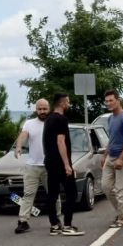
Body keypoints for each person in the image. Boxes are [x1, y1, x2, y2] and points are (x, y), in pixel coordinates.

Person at [13, 99, 61, 234]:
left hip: (50, 166)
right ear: (36, 110)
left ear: (49, 108)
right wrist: (18, 147)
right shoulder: (29, 123)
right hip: (32, 166)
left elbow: (62, 142)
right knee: (28, 194)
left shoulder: (54, 122)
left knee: (53, 194)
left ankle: (56, 219)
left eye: (45, 109)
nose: (42, 112)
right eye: (40, 109)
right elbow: (23, 135)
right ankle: (23, 221)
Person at [43, 93, 84, 236]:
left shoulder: (48, 119)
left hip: (49, 162)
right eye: (68, 102)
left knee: (53, 194)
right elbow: (60, 142)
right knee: (71, 193)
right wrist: (67, 165)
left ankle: (54, 225)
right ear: (62, 103)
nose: (69, 104)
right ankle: (67, 225)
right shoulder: (61, 120)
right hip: (60, 163)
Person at [101, 89, 123, 228]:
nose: (108, 103)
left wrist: (121, 159)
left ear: (118, 101)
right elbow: (112, 139)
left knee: (121, 189)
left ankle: (122, 218)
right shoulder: (110, 118)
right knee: (106, 187)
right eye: (107, 101)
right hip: (111, 156)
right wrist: (105, 155)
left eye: (111, 100)